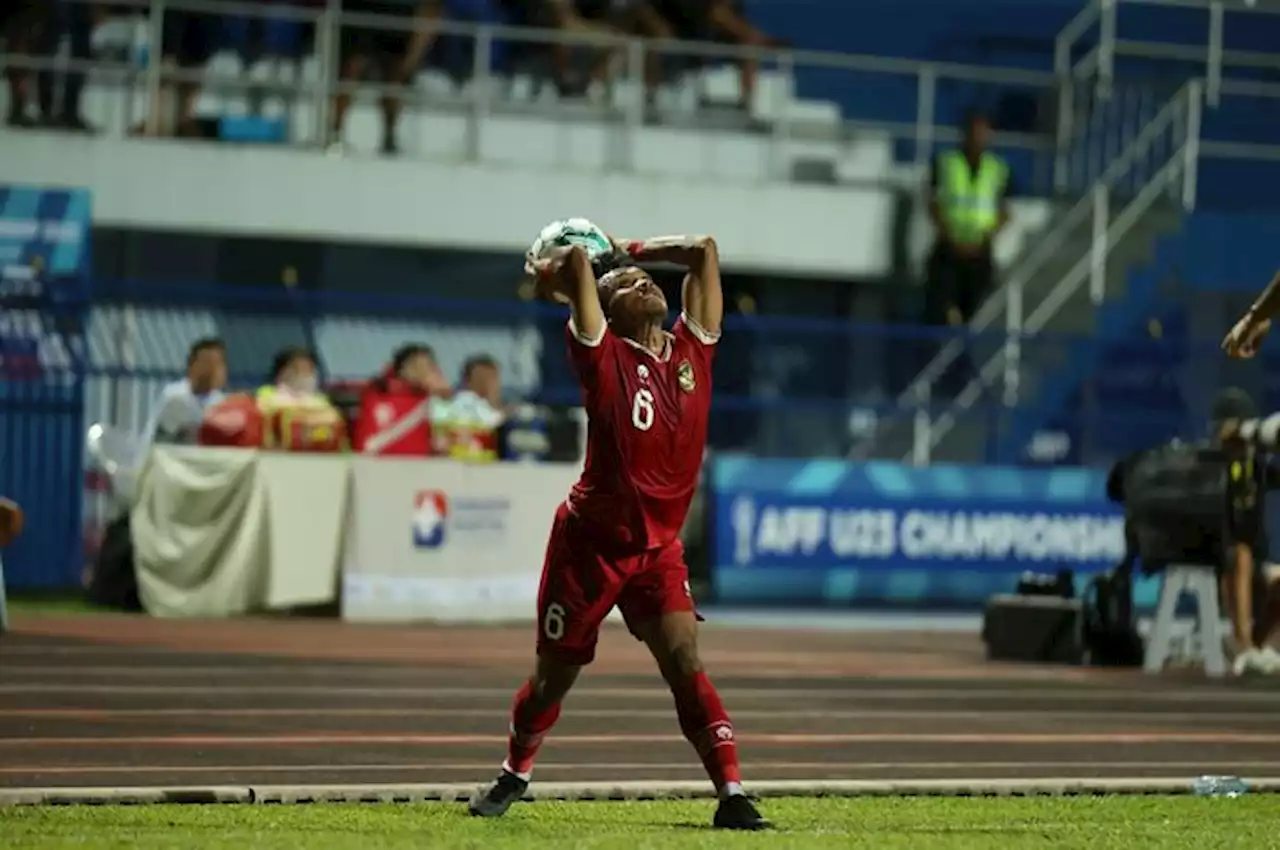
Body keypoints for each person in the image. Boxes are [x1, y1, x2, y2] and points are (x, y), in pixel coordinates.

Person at [467, 230, 768, 830]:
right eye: (626, 284)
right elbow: (579, 267)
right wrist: (568, 260)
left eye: (645, 277)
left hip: (656, 551)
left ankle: (732, 794)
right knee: (553, 680)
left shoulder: (694, 350)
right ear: (605, 312)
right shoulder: (602, 358)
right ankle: (514, 772)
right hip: (589, 549)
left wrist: (631, 247)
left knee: (684, 657)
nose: (643, 281)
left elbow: (704, 251)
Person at [925, 110, 1012, 329]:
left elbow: (1005, 211)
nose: (978, 137)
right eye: (974, 132)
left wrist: (987, 236)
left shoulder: (998, 168)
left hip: (980, 248)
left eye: (983, 132)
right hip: (949, 246)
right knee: (941, 301)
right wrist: (949, 235)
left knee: (977, 308)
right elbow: (932, 203)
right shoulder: (945, 162)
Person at [329, 0, 443, 155]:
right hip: (361, 10)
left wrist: (415, 53)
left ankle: (390, 136)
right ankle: (335, 133)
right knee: (351, 68)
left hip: (399, 12)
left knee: (395, 74)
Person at [140, 338, 228, 452]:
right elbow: (153, 437)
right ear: (192, 366)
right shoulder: (175, 396)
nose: (212, 370)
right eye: (206, 363)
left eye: (217, 364)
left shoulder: (223, 404)